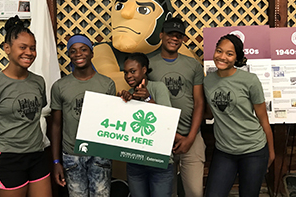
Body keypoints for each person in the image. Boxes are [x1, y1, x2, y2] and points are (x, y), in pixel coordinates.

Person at [0, 16, 52, 197]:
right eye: (23, 47)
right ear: (7, 48)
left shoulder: (38, 82)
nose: (29, 52)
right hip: (8, 160)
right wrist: (4, 147)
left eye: (32, 48)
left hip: (37, 156)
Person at [204, 34, 275, 197]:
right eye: (219, 51)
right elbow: (210, 112)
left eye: (229, 54)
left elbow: (263, 119)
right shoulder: (208, 81)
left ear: (237, 57)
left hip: (253, 150)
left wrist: (271, 151)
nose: (222, 57)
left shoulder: (249, 80)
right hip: (224, 151)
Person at [50, 34, 116, 197]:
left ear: (92, 53)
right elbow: (56, 125)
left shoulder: (107, 84)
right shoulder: (60, 86)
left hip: (99, 153)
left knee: (101, 194)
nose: (78, 54)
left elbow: (113, 120)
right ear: (69, 55)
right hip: (72, 155)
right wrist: (56, 161)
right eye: (73, 51)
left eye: (83, 49)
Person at [148, 17, 206, 197]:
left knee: (195, 192)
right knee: (166, 193)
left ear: (183, 39)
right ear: (161, 35)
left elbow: (199, 102)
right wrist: (173, 135)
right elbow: (146, 100)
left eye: (179, 36)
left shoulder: (193, 65)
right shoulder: (148, 64)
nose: (174, 39)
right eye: (170, 34)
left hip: (192, 136)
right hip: (159, 136)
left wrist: (190, 137)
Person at [117, 52, 173, 197]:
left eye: (133, 71)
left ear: (144, 70)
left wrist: (148, 99)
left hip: (159, 161)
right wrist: (120, 105)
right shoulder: (129, 95)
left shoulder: (158, 88)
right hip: (136, 163)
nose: (128, 76)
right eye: (126, 72)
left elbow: (167, 121)